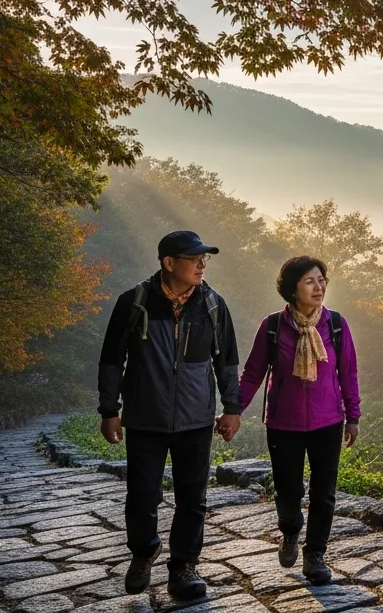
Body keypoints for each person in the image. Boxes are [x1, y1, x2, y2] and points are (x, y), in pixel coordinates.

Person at [97, 230, 242, 599]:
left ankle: (183, 567)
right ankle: (143, 552)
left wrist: (232, 408)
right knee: (142, 495)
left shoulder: (212, 304)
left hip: (196, 419)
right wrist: (109, 410)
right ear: (169, 263)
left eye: (204, 258)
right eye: (194, 258)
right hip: (145, 417)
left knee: (192, 498)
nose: (202, 264)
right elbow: (112, 360)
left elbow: (226, 361)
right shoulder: (135, 302)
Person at [238, 256, 361, 585]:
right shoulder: (273, 327)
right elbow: (252, 374)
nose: (319, 287)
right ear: (293, 289)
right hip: (283, 423)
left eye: (321, 280)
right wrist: (234, 409)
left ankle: (315, 554)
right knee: (288, 491)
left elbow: (348, 373)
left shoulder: (335, 325)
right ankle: (291, 530)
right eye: (310, 281)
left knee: (324, 492)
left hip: (328, 421)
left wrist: (353, 416)